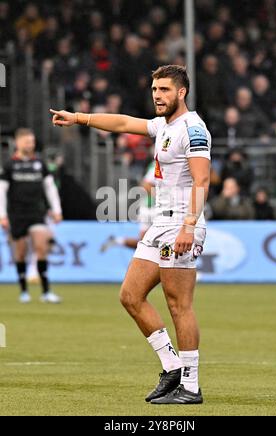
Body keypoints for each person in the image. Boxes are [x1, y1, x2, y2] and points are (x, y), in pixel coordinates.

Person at [50, 65, 211, 405]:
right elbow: (123, 122)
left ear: (181, 93)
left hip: (181, 223)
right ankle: (171, 367)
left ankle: (192, 386)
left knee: (178, 305)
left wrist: (189, 225)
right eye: (155, 89)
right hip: (158, 224)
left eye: (165, 90)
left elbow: (202, 181)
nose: (157, 95)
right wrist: (79, 118)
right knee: (130, 295)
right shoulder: (163, 125)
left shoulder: (193, 129)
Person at [0, 128, 63, 304]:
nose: (31, 145)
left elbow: (50, 188)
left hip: (37, 213)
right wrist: (2, 215)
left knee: (41, 247)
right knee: (20, 253)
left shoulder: (39, 164)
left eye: (32, 142)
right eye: (27, 141)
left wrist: (57, 210)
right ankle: (24, 291)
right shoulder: (9, 165)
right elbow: (1, 192)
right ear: (18, 143)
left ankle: (46, 291)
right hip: (16, 215)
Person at [101, 161, 156, 252]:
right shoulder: (161, 161)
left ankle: (117, 241)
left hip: (150, 209)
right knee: (147, 245)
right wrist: (164, 198)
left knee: (145, 245)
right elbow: (146, 184)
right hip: (153, 209)